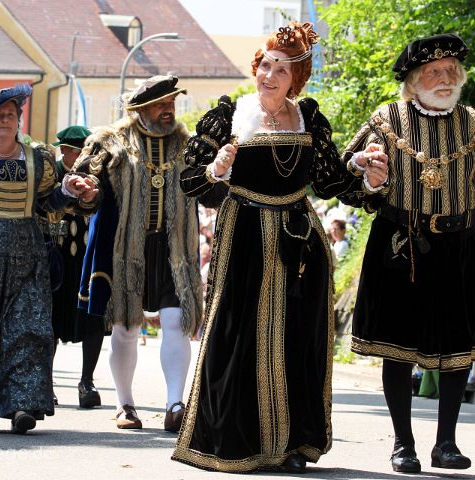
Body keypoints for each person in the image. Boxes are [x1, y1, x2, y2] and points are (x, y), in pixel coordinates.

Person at [172, 22, 388, 473]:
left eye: (281, 70)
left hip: (298, 241)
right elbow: (190, 180)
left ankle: (293, 444)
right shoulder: (229, 114)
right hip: (244, 237)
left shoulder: (309, 116)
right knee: (239, 336)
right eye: (265, 65)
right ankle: (237, 442)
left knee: (298, 339)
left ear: (297, 79)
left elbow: (331, 180)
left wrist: (367, 175)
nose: (268, 75)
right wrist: (216, 168)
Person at [340, 34, 474, 472]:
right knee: (397, 348)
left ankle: (447, 443)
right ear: (414, 80)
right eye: (434, 72)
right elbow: (346, 167)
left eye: (452, 69)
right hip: (401, 243)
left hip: (461, 243)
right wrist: (368, 172)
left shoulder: (473, 122)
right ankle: (403, 444)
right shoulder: (388, 117)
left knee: (459, 346)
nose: (445, 78)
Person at [73, 75, 203, 432]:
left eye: (172, 103)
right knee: (125, 326)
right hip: (124, 247)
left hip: (173, 247)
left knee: (176, 322)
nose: (169, 110)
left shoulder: (188, 144)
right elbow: (86, 187)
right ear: (140, 108)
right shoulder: (110, 142)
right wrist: (84, 192)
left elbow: (208, 187)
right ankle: (124, 404)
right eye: (161, 104)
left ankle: (175, 404)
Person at [0, 84, 97, 434]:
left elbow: (46, 205)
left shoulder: (37, 157)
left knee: (27, 327)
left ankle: (20, 404)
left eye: (10, 114)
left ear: (20, 119)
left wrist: (69, 191)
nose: (4, 120)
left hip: (27, 252)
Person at [46, 126, 107, 409]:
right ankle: (45, 381)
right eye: (64, 149)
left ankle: (87, 382)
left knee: (92, 315)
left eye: (70, 149)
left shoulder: (98, 174)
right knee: (50, 318)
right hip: (56, 254)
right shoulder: (51, 173)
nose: (66, 153)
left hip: (88, 253)